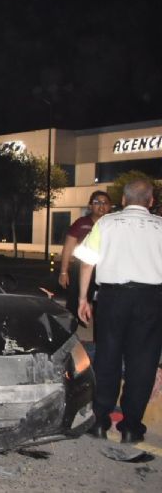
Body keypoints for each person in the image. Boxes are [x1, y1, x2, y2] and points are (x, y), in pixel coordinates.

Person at [74, 179, 162, 443]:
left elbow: (87, 262)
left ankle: (100, 421)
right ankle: (132, 427)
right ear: (151, 201)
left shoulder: (106, 223)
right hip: (151, 299)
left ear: (123, 200)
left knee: (108, 358)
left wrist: (83, 298)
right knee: (143, 363)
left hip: (112, 298)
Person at [58, 191, 111, 317]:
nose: (101, 206)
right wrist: (63, 272)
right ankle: (71, 331)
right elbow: (68, 247)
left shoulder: (112, 224)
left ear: (110, 206)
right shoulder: (81, 223)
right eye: (97, 202)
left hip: (104, 270)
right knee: (74, 304)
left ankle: (99, 335)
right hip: (81, 268)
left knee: (102, 307)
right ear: (90, 206)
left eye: (105, 203)